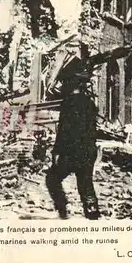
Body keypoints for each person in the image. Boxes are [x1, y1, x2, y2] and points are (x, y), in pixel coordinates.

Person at [45, 72, 100, 220]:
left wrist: (56, 151)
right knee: (86, 183)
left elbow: (64, 131)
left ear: (70, 85)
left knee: (52, 178)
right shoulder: (90, 103)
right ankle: (92, 213)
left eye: (64, 83)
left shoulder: (68, 103)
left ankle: (62, 208)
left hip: (71, 152)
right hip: (88, 150)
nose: (62, 86)